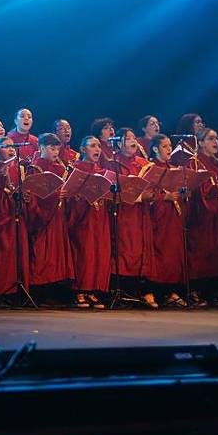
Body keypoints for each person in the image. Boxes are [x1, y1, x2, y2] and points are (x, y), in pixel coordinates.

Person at [105, 128, 153, 300]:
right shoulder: (113, 164)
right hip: (124, 212)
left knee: (141, 248)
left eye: (134, 138)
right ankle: (123, 290)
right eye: (128, 138)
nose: (134, 141)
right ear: (118, 143)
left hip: (142, 213)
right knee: (125, 249)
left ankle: (141, 289)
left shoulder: (143, 163)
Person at [184, 127, 218, 306]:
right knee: (200, 251)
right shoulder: (194, 164)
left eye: (216, 138)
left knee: (217, 251)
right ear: (200, 142)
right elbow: (194, 191)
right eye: (210, 138)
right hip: (200, 216)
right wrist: (212, 191)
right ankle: (197, 290)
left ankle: (213, 291)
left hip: (217, 215)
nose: (215, 142)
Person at [27, 134, 74, 299]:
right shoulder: (34, 168)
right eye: (52, 148)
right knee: (43, 253)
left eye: (57, 149)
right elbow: (33, 197)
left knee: (58, 254)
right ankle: (42, 292)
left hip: (58, 216)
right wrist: (55, 197)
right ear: (41, 148)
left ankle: (57, 291)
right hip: (43, 217)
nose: (55, 152)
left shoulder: (61, 169)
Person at [68, 136, 112, 309]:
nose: (97, 149)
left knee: (98, 252)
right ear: (82, 149)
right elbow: (69, 194)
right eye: (93, 146)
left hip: (99, 216)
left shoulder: (103, 171)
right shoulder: (75, 169)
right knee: (84, 252)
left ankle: (93, 290)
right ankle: (79, 290)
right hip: (82, 217)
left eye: (99, 146)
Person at [145, 135, 189, 307]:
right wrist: (166, 196)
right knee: (160, 254)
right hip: (158, 218)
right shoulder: (151, 168)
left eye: (170, 145)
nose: (169, 149)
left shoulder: (173, 168)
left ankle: (171, 290)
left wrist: (183, 193)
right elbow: (147, 194)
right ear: (155, 149)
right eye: (165, 146)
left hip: (173, 216)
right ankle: (156, 290)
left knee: (173, 253)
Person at [0, 136, 28, 304]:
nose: (11, 150)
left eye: (13, 147)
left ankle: (12, 293)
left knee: (12, 255)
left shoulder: (18, 168)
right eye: (6, 147)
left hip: (12, 215)